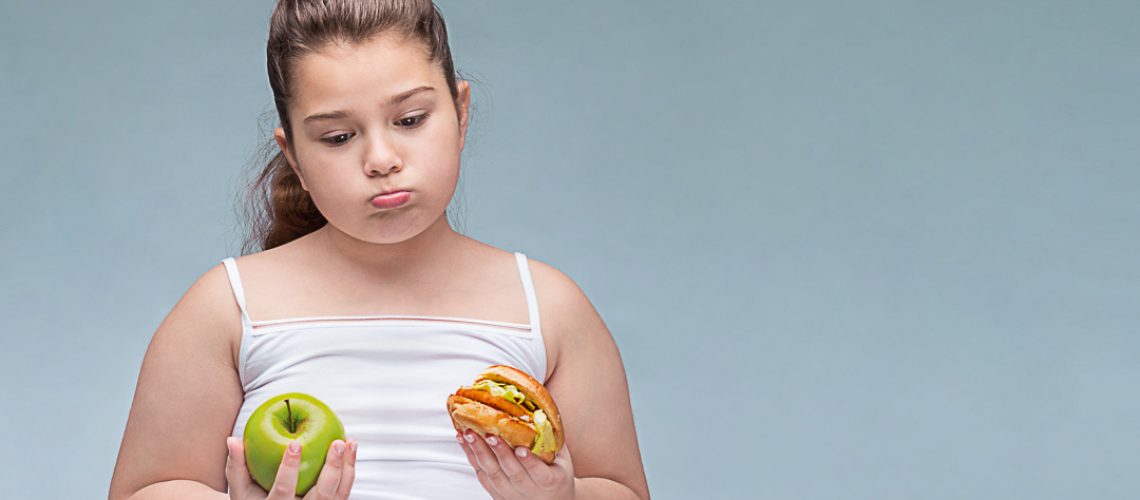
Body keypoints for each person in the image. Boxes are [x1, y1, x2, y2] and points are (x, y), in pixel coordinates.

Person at [107, 1, 650, 499]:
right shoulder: (226, 307)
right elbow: (143, 489)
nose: (381, 158)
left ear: (461, 112)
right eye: (338, 137)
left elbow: (623, 489)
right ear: (292, 153)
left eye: (410, 120)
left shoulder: (550, 308)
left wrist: (564, 497)